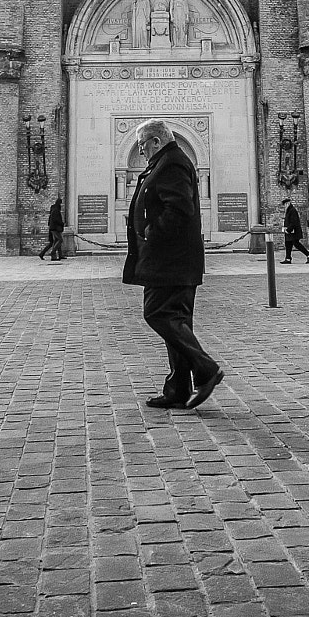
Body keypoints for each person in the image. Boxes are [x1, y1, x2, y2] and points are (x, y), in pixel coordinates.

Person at [124, 119, 223, 410]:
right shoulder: (165, 162)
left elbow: (179, 208)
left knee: (157, 313)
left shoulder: (172, 163)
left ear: (156, 141)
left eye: (143, 145)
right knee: (176, 320)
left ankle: (205, 369)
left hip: (170, 260)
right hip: (172, 260)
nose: (141, 151)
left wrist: (151, 233)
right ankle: (178, 389)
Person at [40, 196, 65, 262]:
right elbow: (56, 219)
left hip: (53, 228)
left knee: (56, 241)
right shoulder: (56, 210)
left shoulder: (54, 209)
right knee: (60, 240)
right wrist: (62, 223)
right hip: (55, 228)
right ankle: (53, 252)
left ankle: (57, 255)